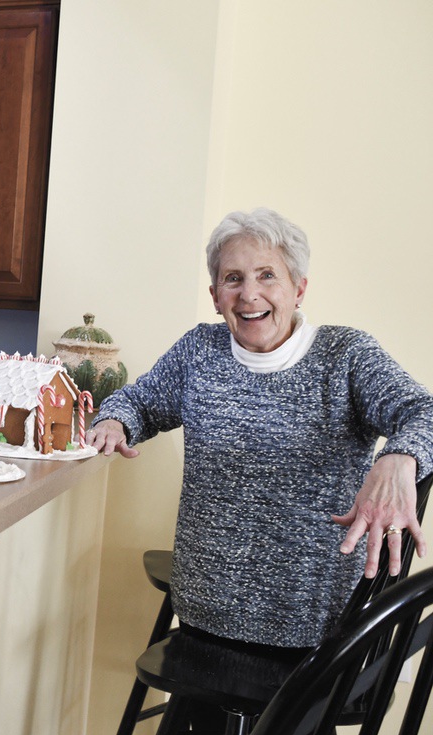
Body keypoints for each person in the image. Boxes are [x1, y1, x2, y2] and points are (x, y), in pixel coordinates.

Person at [87, 208, 433, 649]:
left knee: (294, 721)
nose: (249, 294)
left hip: (315, 628)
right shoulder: (200, 350)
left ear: (299, 288)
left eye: (267, 275)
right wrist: (116, 420)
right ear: (215, 296)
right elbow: (138, 401)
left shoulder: (346, 355)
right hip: (206, 614)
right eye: (233, 279)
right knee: (207, 719)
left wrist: (398, 457)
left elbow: (424, 411)